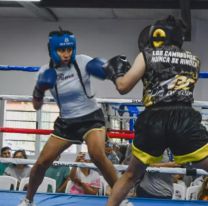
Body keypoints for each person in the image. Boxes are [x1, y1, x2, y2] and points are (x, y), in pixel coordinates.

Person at [18, 28, 131, 206]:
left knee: (97, 155)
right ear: (52, 50)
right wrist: (39, 89)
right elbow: (36, 105)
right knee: (41, 163)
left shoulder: (82, 61)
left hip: (91, 118)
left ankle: (121, 200)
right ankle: (28, 199)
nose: (66, 54)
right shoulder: (44, 71)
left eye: (69, 49)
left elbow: (105, 71)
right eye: (62, 50)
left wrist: (111, 71)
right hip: (66, 122)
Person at [106, 15, 208, 205]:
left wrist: (116, 73)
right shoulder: (195, 60)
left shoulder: (146, 55)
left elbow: (123, 86)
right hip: (184, 119)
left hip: (154, 119)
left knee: (130, 175)